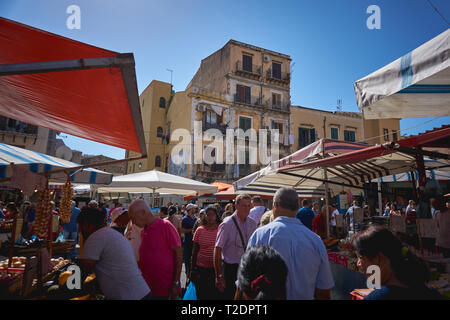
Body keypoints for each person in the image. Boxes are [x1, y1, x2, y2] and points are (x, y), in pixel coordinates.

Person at [247, 187, 334, 300]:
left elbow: (248, 284)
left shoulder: (259, 235)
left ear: (275, 205)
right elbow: (323, 292)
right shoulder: (315, 240)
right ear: (298, 207)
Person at [77, 207, 151, 300]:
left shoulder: (95, 238)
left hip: (130, 296)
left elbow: (83, 270)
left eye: (79, 226)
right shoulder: (111, 234)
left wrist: (63, 291)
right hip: (140, 293)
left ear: (87, 225)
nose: (79, 230)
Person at [352, 226, 443, 300]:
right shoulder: (432, 293)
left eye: (361, 258)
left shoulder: (377, 297)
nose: (358, 264)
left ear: (377, 258)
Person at [128, 199, 182, 299]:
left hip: (163, 288)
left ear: (143, 213)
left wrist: (176, 281)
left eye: (132, 217)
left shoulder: (166, 226)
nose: (132, 222)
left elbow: (178, 254)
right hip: (147, 289)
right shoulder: (144, 230)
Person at [214, 194, 258, 300]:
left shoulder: (252, 223)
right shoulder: (227, 224)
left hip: (246, 268)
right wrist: (219, 275)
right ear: (236, 205)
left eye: (249, 206)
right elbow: (217, 249)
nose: (247, 209)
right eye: (244, 206)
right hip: (230, 270)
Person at [190, 205, 222, 300]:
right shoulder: (199, 230)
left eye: (212, 215)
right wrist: (192, 269)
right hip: (201, 268)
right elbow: (195, 251)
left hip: (217, 269)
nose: (210, 217)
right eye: (208, 215)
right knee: (202, 293)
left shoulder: (221, 229)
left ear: (216, 216)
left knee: (215, 294)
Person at [181, 203, 198, 279]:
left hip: (194, 242)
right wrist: (193, 230)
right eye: (193, 208)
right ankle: (188, 275)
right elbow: (182, 230)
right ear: (190, 210)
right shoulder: (185, 219)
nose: (195, 210)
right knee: (188, 259)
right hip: (188, 242)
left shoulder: (195, 218)